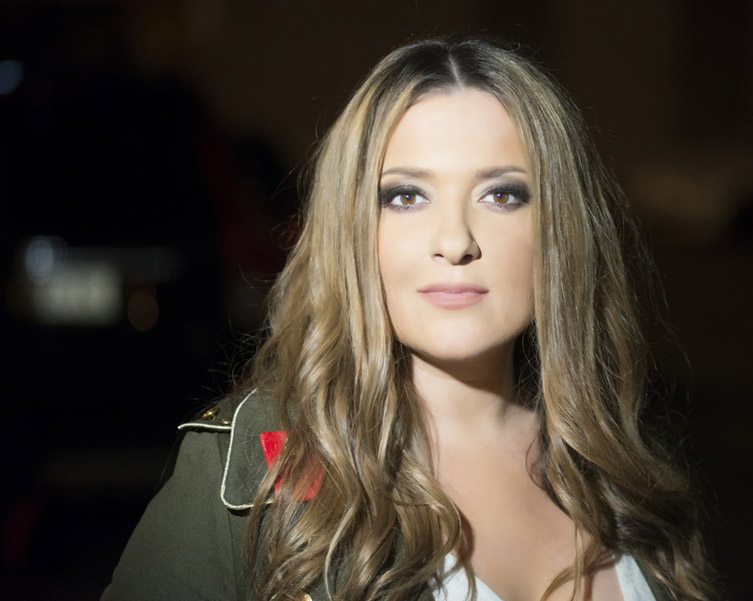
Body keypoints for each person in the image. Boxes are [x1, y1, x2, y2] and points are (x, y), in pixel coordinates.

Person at [103, 37, 714, 601]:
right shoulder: (251, 471)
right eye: (406, 196)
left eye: (502, 194)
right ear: (353, 230)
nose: (455, 241)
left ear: (559, 227)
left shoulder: (625, 473)